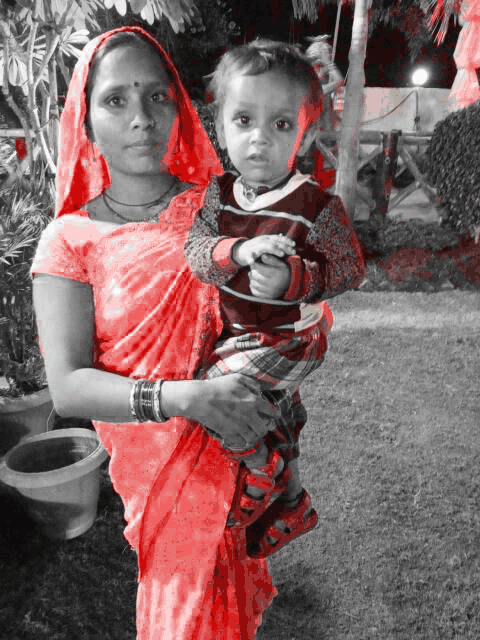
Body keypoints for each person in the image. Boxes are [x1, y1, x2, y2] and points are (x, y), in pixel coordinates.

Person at [31, 26, 285, 640]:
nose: (141, 118)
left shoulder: (221, 211)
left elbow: (272, 314)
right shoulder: (69, 241)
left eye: (156, 96)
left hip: (239, 454)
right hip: (157, 475)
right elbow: (67, 387)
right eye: (115, 100)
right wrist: (186, 398)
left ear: (178, 108)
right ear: (86, 122)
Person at [184, 40, 366, 559]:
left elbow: (350, 268)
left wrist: (293, 279)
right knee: (279, 415)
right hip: (242, 336)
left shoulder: (316, 205)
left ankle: (260, 468)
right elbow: (195, 251)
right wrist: (238, 250)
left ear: (304, 135)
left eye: (281, 124)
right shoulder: (219, 196)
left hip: (290, 340)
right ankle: (292, 504)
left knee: (211, 393)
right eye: (244, 120)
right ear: (221, 127)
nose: (259, 138)